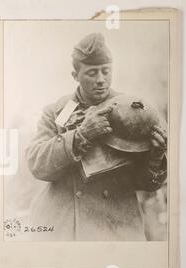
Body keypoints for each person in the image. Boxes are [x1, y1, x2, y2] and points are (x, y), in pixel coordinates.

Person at [26, 33, 167, 240]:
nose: (101, 80)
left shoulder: (134, 112)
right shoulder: (57, 111)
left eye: (106, 71)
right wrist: (80, 136)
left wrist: (155, 159)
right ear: (75, 75)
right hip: (64, 229)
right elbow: (37, 164)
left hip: (115, 228)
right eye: (92, 73)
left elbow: (145, 184)